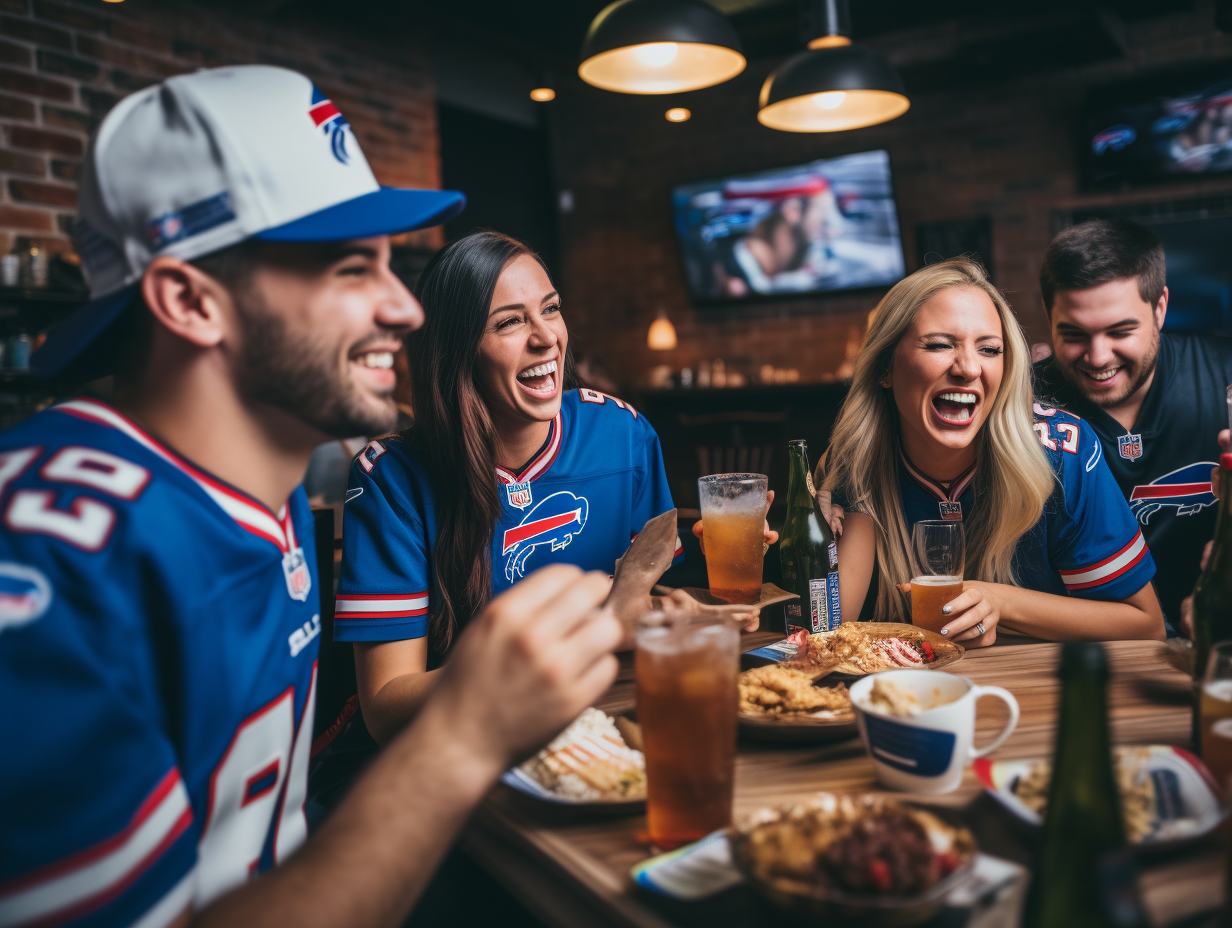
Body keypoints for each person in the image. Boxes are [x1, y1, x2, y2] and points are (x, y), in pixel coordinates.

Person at [0, 65, 623, 928]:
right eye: (347, 267)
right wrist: (464, 731)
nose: (405, 308)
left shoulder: (267, 480)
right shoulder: (51, 565)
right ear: (189, 300)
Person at [328, 231, 684, 748]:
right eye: (510, 322)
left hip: (609, 730)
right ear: (457, 351)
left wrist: (690, 605)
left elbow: (638, 609)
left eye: (552, 309)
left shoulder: (623, 434)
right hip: (459, 754)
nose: (546, 338)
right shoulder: (391, 477)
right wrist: (524, 658)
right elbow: (385, 706)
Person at [818, 257, 1164, 644]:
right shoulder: (855, 460)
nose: (968, 368)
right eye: (938, 345)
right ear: (885, 367)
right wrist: (797, 545)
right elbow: (827, 634)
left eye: (989, 349)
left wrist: (1000, 601)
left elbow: (1145, 625)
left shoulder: (1064, 451)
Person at [1033, 218, 1232, 632]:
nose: (1098, 357)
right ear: (1048, 317)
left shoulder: (1225, 376)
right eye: (1073, 334)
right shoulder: (1022, 404)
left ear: (1160, 307)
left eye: (1120, 331)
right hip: (1085, 650)